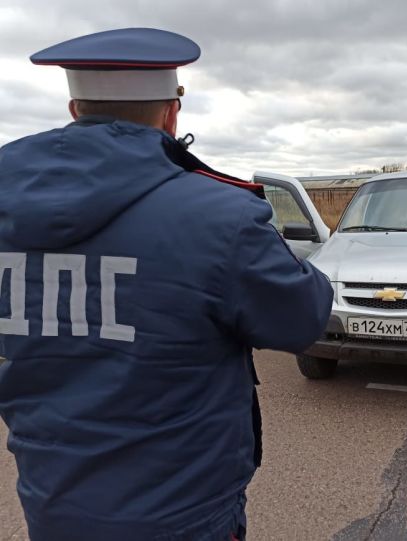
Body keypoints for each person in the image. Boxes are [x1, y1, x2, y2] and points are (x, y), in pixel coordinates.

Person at [0, 28, 333, 540]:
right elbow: (303, 320)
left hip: (51, 501)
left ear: (74, 109)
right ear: (171, 114)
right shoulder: (220, 216)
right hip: (181, 512)